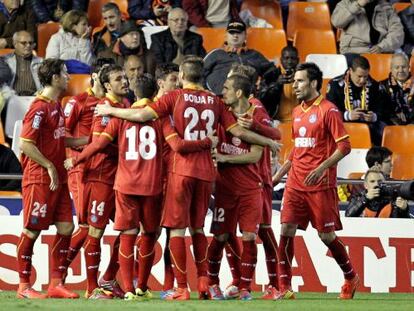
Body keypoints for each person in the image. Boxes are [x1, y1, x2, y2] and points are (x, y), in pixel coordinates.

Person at [95, 55, 279, 300]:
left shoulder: (175, 97)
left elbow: (140, 115)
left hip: (180, 172)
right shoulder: (216, 102)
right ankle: (204, 284)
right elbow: (237, 131)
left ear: (182, 75)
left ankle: (182, 287)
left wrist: (110, 110)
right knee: (199, 230)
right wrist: (268, 140)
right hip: (206, 174)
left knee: (177, 232)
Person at [66, 74, 217, 300]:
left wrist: (75, 160)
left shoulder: (119, 116)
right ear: (155, 90)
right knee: (149, 234)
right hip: (153, 185)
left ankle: (127, 290)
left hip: (125, 184)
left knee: (127, 233)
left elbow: (98, 143)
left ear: (133, 94)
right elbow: (176, 144)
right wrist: (207, 143)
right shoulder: (161, 118)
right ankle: (142, 286)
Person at [272, 62, 359, 300]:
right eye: (295, 81)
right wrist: (280, 174)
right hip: (295, 183)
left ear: (313, 83)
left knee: (326, 236)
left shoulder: (329, 111)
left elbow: (345, 146)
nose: (295, 85)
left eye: (300, 81)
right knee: (286, 229)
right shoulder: (298, 111)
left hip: (320, 186)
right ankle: (284, 285)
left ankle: (350, 276)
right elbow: (297, 149)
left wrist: (322, 168)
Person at [207, 74, 280, 301]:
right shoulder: (221, 112)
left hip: (251, 187)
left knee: (250, 236)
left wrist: (224, 158)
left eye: (227, 87)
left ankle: (246, 287)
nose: (223, 92)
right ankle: (212, 283)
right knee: (220, 236)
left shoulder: (254, 115)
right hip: (225, 187)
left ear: (239, 92)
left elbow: (255, 155)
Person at [16, 58, 80, 299]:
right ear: (54, 78)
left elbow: (61, 140)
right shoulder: (39, 107)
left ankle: (56, 283)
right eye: (64, 73)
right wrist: (49, 166)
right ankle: (23, 285)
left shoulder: (57, 104)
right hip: (40, 178)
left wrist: (93, 141)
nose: (68, 77)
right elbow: (26, 143)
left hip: (58, 179)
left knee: (66, 227)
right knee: (32, 229)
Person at [61, 59, 115, 296]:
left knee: (112, 227)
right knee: (86, 226)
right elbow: (61, 135)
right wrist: (92, 141)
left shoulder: (115, 104)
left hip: (110, 170)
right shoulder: (78, 102)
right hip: (83, 170)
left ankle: (106, 280)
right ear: (96, 77)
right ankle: (60, 274)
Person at [203, 20, 277, 96]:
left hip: (246, 101)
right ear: (226, 35)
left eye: (239, 33)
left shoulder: (254, 55)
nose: (235, 36)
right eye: (232, 33)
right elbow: (199, 73)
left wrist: (263, 83)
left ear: (245, 35)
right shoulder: (216, 53)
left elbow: (272, 71)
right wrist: (204, 91)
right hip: (216, 99)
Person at [326, 55, 387, 145]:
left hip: (369, 125)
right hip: (342, 123)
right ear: (350, 71)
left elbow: (383, 108)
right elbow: (329, 112)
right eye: (359, 76)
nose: (362, 80)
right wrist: (347, 115)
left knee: (385, 130)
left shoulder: (375, 86)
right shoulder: (335, 85)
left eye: (365, 76)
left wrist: (374, 116)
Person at [331, 0, 404, 54]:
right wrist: (357, 5)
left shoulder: (386, 8)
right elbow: (337, 22)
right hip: (353, 51)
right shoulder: (346, 3)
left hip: (380, 52)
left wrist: (381, 47)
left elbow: (398, 34)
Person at [346, 167, 410, 218]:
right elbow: (348, 216)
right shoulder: (358, 197)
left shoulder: (392, 197)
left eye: (380, 182)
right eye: (372, 181)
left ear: (385, 183)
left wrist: (404, 210)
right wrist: (366, 198)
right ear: (365, 185)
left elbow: (402, 226)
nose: (376, 184)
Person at [2, 31, 42, 96]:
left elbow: (47, 85)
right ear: (15, 44)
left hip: (34, 98)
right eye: (24, 43)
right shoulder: (4, 61)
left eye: (30, 43)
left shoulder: (41, 62)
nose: (28, 45)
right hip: (11, 98)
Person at [379, 53, 414, 125]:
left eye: (404, 67)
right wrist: (399, 124)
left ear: (409, 68)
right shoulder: (382, 86)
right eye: (397, 67)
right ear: (391, 69)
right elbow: (384, 112)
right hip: (392, 126)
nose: (401, 70)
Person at [272, 46, 300, 122]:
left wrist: (301, 82)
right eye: (286, 58)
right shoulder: (272, 74)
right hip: (277, 120)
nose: (289, 61)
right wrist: (277, 85)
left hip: (300, 119)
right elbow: (263, 98)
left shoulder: (305, 75)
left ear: (298, 60)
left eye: (292, 58)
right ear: (281, 60)